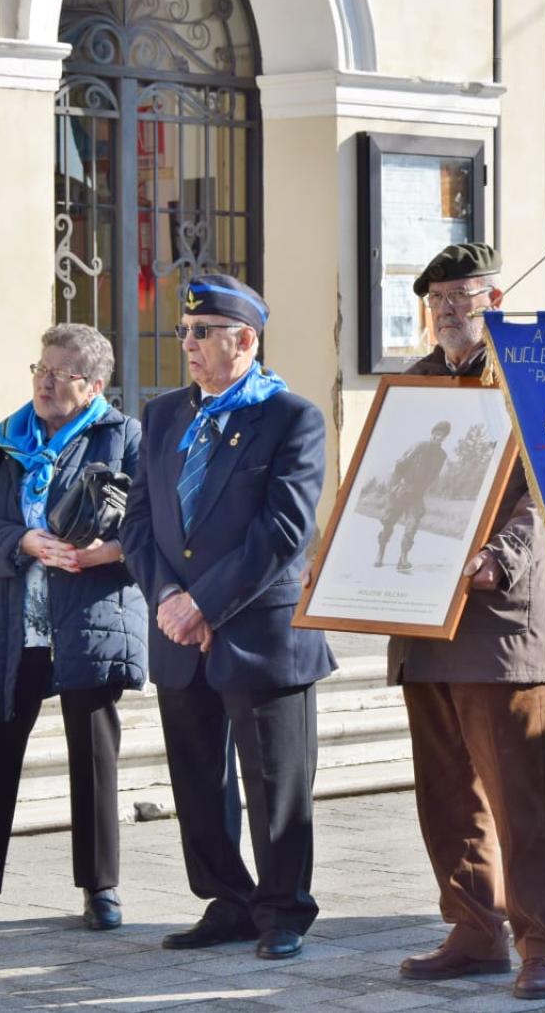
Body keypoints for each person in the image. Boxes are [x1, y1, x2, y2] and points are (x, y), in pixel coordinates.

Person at [119, 274, 335, 961]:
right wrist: (166, 601)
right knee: (198, 780)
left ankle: (282, 911)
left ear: (244, 340)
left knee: (274, 781)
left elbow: (283, 530)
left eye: (202, 332)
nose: (187, 343)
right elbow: (139, 523)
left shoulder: (291, 418)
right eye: (184, 331)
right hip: (178, 629)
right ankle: (228, 899)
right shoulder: (162, 416)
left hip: (259, 631)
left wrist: (203, 603)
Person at [382, 244, 545, 1000]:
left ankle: (543, 943)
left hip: (503, 621)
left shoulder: (533, 378)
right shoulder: (415, 384)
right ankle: (473, 929)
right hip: (423, 618)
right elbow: (385, 479)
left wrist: (504, 556)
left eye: (467, 296)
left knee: (518, 796)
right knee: (445, 792)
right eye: (440, 299)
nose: (453, 311)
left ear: (497, 300)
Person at [0, 323, 147, 933]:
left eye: (64, 373)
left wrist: (104, 553)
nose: (46, 383)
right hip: (10, 625)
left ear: (96, 385)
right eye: (41, 369)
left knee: (93, 753)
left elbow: (154, 523)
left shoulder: (125, 437)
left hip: (89, 618)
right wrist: (21, 541)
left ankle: (100, 887)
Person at [377, 421, 451, 570]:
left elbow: (433, 476)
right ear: (432, 434)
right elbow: (400, 465)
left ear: (444, 438)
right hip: (400, 491)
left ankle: (403, 558)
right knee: (388, 523)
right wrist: (395, 488)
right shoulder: (419, 446)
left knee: (412, 526)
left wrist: (421, 489)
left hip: (416, 495)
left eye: (442, 436)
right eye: (437, 434)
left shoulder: (442, 455)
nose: (439, 437)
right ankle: (380, 554)